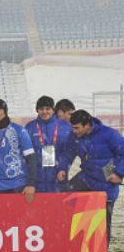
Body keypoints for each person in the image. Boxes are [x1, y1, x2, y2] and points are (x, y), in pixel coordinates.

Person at [58, 110, 124, 244]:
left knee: (103, 224)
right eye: (73, 127)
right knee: (64, 197)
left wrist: (119, 173)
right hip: (86, 178)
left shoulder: (109, 135)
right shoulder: (74, 136)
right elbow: (66, 154)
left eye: (77, 128)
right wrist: (62, 168)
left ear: (87, 125)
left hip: (107, 183)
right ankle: (71, 240)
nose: (74, 131)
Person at [0, 99, 36, 201]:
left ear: (1, 113)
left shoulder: (19, 130)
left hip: (19, 186)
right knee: (0, 217)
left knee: (20, 217)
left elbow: (31, 158)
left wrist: (31, 184)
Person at [25, 96, 72, 193]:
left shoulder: (65, 127)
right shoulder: (30, 127)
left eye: (47, 109)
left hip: (58, 175)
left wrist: (62, 168)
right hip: (37, 177)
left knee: (57, 205)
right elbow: (26, 153)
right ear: (37, 110)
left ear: (53, 110)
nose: (44, 112)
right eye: (41, 109)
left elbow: (68, 152)